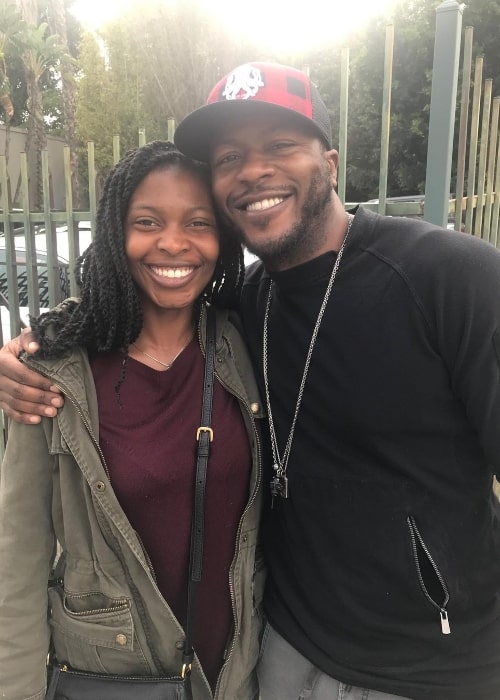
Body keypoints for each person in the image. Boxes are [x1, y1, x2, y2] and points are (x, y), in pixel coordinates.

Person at [2, 62, 500, 700]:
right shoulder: (246, 308)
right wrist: (28, 350)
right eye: (230, 155)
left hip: (431, 669)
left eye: (281, 145)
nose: (254, 171)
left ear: (331, 161)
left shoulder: (452, 278)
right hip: (276, 653)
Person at [0, 140, 266, 700]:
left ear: (222, 238)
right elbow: (16, 560)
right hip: (112, 677)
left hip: (239, 674)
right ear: (115, 236)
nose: (174, 242)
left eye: (198, 222)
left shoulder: (247, 345)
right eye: (147, 221)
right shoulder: (54, 373)